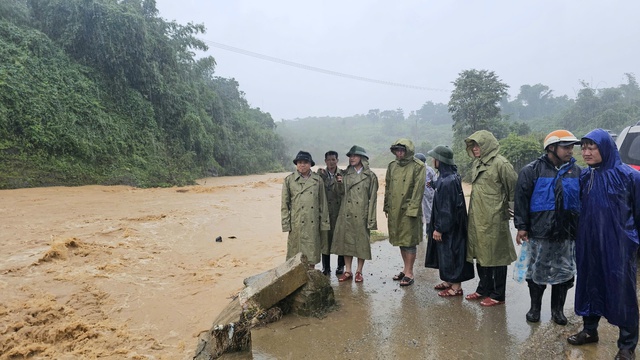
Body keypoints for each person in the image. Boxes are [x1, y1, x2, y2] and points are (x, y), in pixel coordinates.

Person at [567, 129, 640, 360]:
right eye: (584, 148)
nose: (586, 153)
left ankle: (627, 344)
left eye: (592, 148)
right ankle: (590, 330)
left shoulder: (630, 176)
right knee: (590, 283)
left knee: (622, 292)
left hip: (619, 245)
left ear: (605, 148)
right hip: (590, 242)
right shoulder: (586, 177)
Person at [514, 130, 581, 325]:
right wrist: (522, 226)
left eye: (572, 146)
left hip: (567, 233)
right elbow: (521, 200)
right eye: (566, 146)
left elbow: (582, 201)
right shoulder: (531, 170)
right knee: (538, 271)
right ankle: (535, 309)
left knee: (564, 272)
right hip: (540, 232)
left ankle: (557, 311)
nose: (571, 150)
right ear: (552, 147)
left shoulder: (577, 172)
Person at [464, 130, 518, 306]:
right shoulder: (477, 163)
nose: (475, 148)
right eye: (473, 145)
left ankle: (498, 294)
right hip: (477, 218)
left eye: (478, 145)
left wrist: (515, 215)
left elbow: (514, 190)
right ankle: (483, 289)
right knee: (481, 254)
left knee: (497, 256)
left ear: (487, 145)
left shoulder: (501, 164)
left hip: (495, 218)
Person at [424, 145, 475, 296]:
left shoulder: (447, 181)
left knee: (452, 254)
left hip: (450, 227)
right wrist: (433, 184)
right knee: (445, 253)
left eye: (435, 158)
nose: (433, 161)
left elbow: (447, 208)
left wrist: (439, 228)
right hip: (452, 225)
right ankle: (449, 280)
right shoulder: (448, 177)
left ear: (440, 161)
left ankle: (456, 287)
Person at [331, 146, 378, 283]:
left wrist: (371, 218)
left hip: (361, 213)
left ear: (362, 158)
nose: (352, 158)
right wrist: (338, 183)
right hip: (346, 212)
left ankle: (359, 271)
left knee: (361, 243)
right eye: (350, 156)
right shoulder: (344, 174)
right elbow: (339, 194)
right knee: (347, 242)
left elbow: (373, 199)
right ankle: (348, 270)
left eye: (355, 156)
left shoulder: (370, 176)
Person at [384, 139, 426, 287]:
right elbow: (388, 187)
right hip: (395, 209)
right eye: (397, 150)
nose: (400, 153)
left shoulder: (418, 166)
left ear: (408, 150)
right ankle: (405, 269)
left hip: (409, 210)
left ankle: (410, 273)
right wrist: (387, 206)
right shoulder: (392, 166)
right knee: (401, 240)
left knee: (409, 242)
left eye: (402, 150)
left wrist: (413, 209)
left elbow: (419, 189)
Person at [281, 151, 330, 268]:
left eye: (305, 162)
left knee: (311, 254)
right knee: (294, 255)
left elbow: (323, 204)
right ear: (296, 164)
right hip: (296, 223)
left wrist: (324, 224)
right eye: (299, 162)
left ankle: (311, 279)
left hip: (312, 222)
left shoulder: (318, 180)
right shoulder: (289, 180)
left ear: (310, 164)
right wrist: (286, 224)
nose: (302, 165)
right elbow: (284, 205)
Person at [317, 150, 346, 276]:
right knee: (325, 240)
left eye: (333, 160)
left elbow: (344, 192)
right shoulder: (320, 175)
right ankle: (326, 268)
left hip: (339, 211)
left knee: (340, 239)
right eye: (328, 160)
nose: (331, 162)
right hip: (325, 212)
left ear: (337, 161)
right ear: (325, 161)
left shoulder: (343, 174)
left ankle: (341, 266)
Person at [414, 153, 438, 236]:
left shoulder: (429, 170)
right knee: (417, 213)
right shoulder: (414, 169)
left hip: (428, 195)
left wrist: (432, 186)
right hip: (417, 195)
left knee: (428, 213)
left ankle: (429, 232)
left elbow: (435, 181)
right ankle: (418, 233)